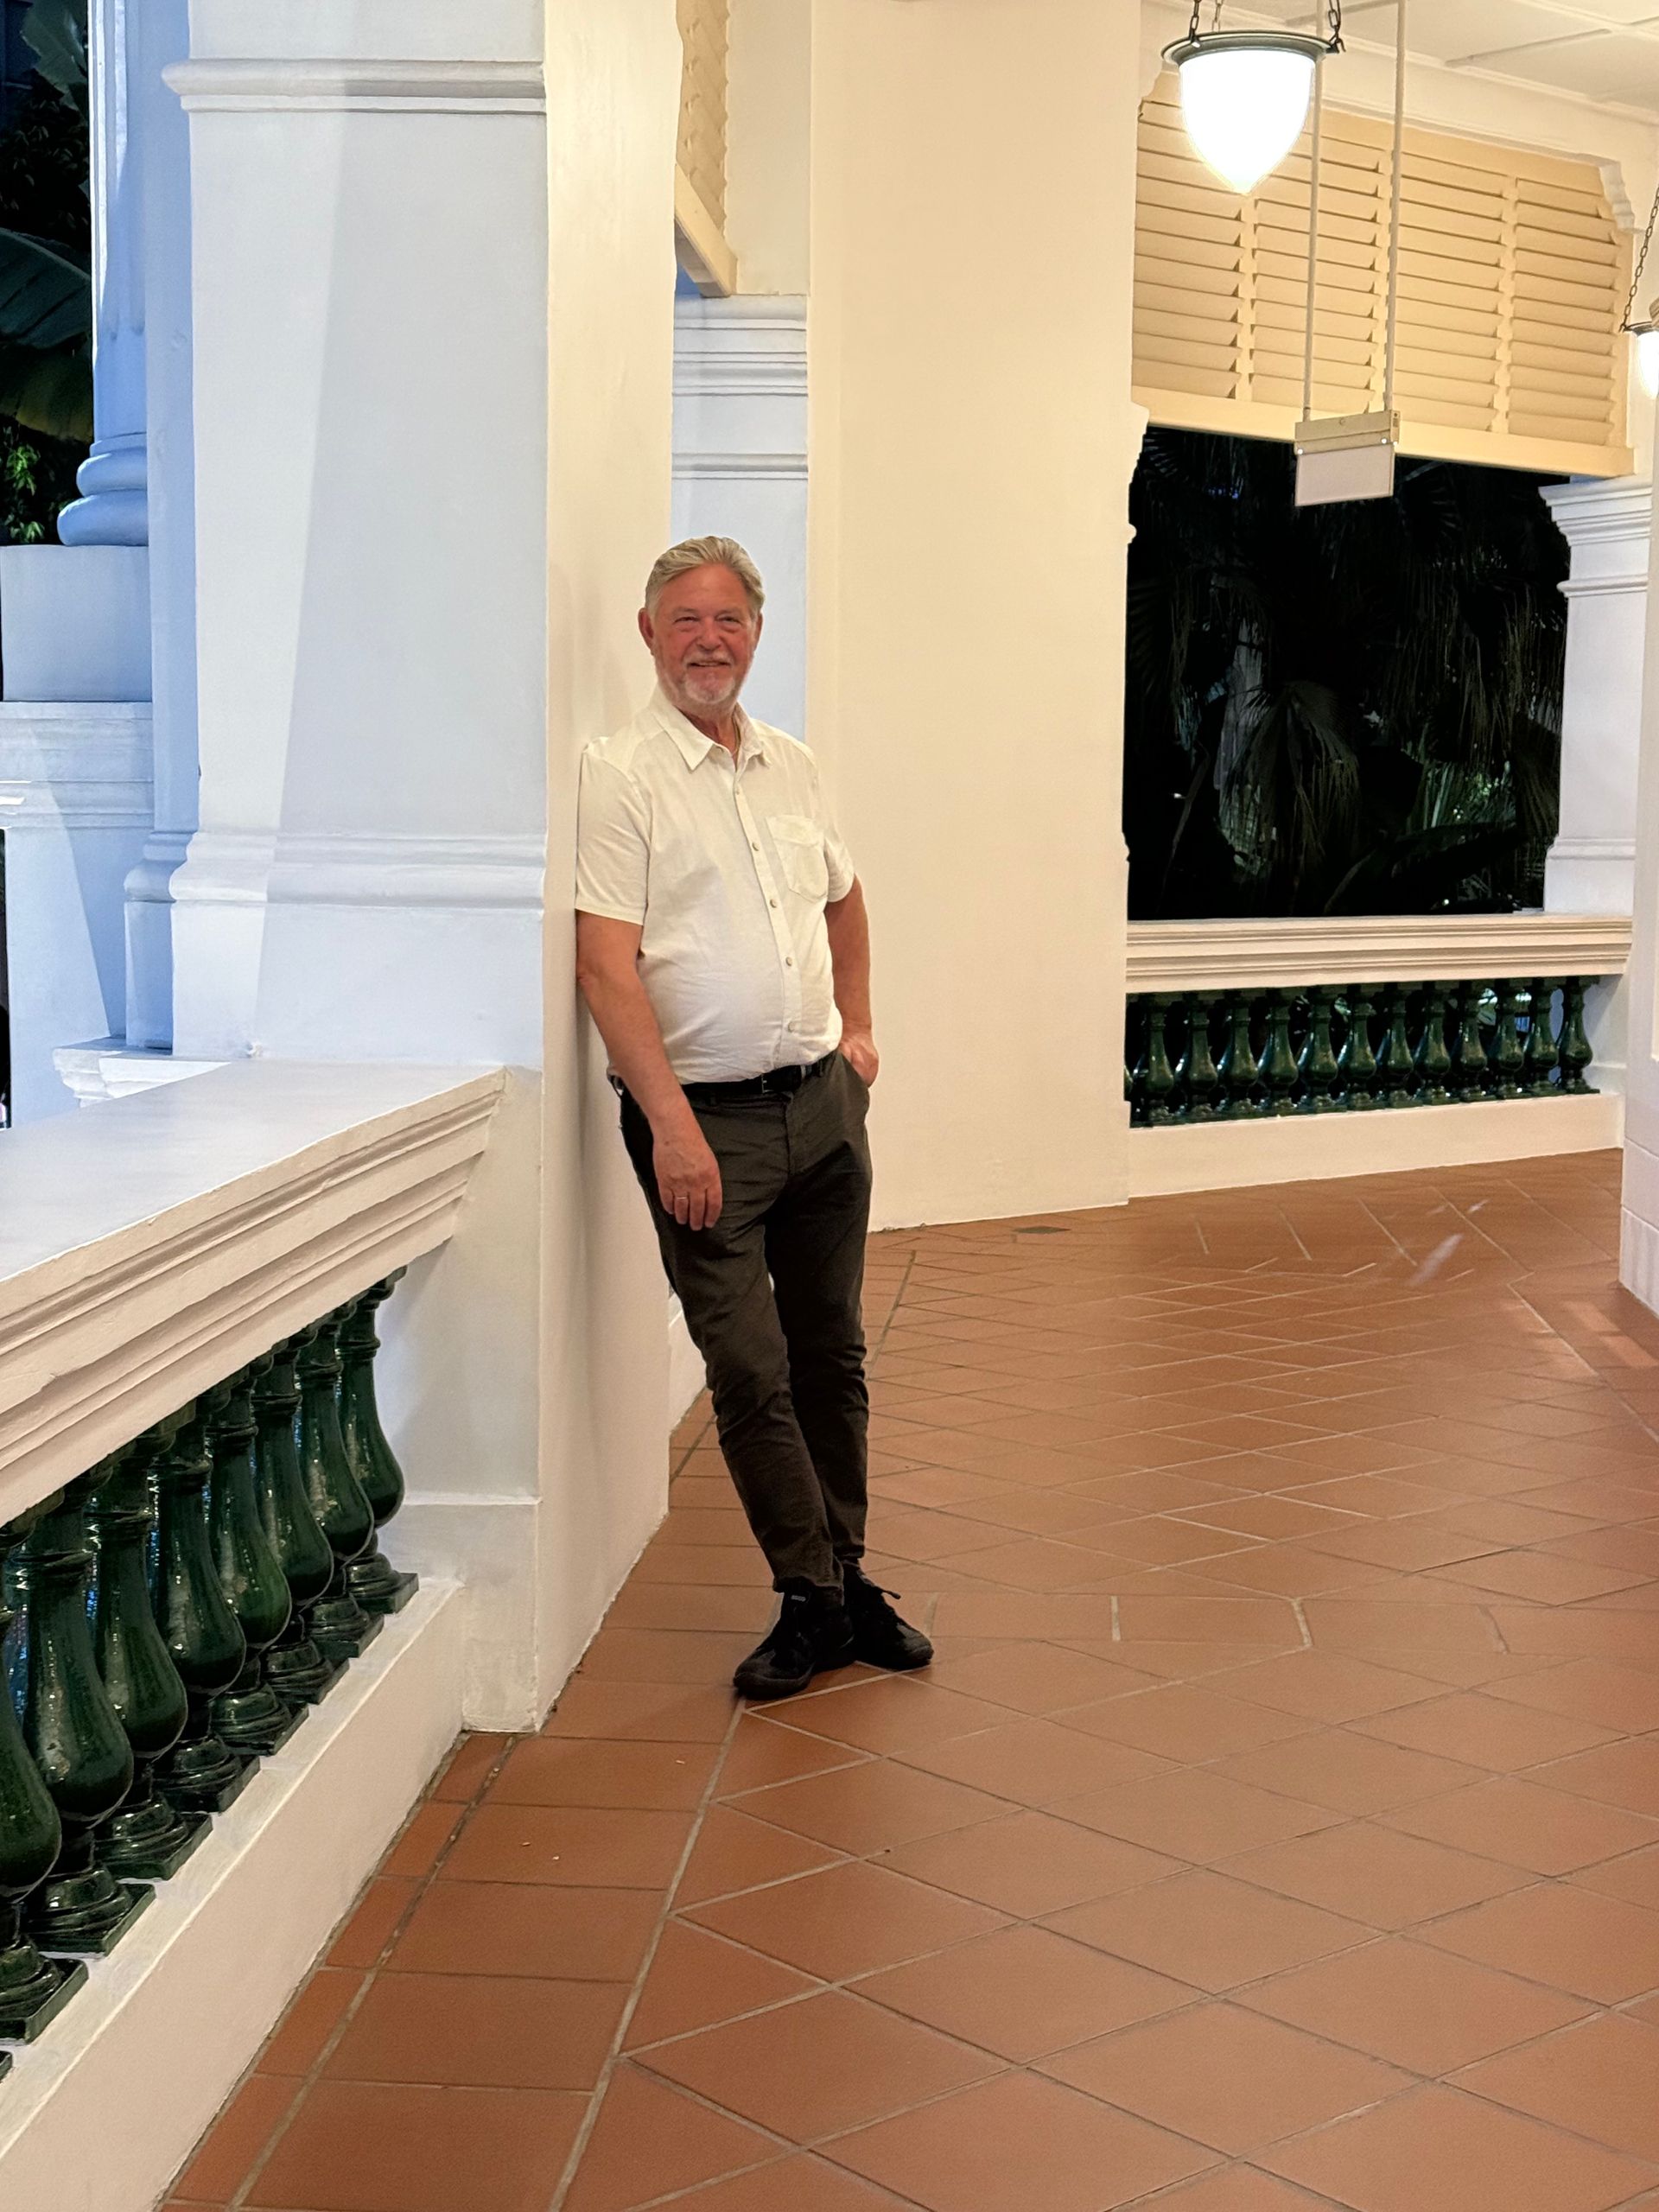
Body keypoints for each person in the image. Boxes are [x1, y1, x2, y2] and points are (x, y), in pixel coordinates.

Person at [574, 536, 931, 1700]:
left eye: (728, 619)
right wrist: (670, 1127)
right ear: (649, 634)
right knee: (748, 1368)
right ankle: (808, 1595)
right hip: (705, 1130)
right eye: (685, 619)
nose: (708, 640)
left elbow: (845, 899)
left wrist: (858, 1032)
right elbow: (604, 966)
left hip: (823, 1109)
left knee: (832, 1353)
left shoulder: (794, 767)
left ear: (756, 634)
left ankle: (848, 1575)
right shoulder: (619, 777)